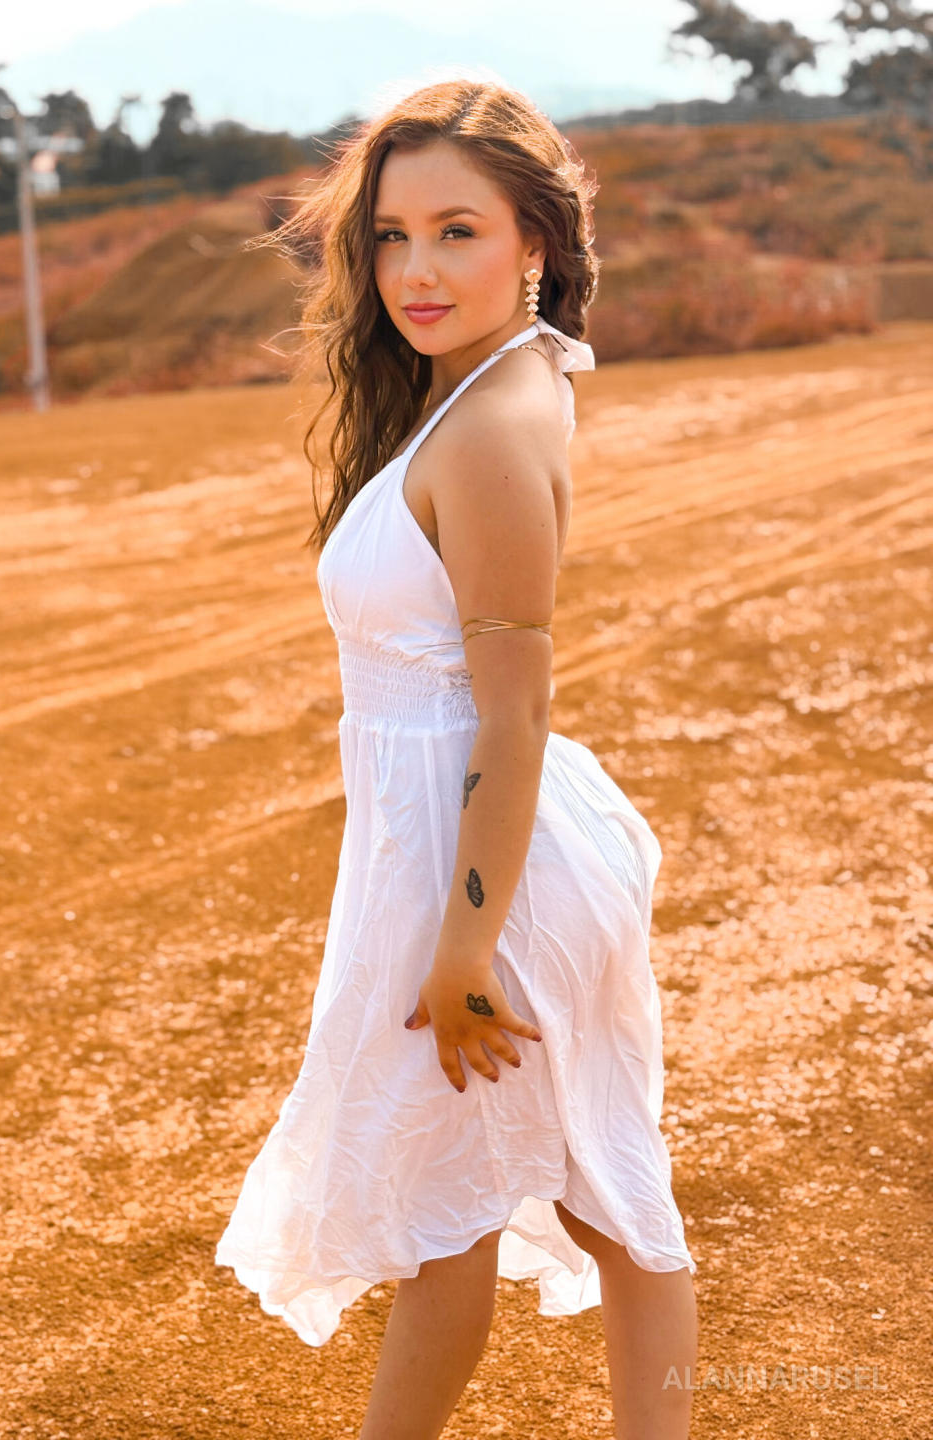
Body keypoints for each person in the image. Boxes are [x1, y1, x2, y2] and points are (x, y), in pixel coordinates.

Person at [215, 74, 698, 1440]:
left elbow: (513, 712)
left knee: (585, 1205)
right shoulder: (485, 384)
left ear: (533, 239)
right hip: (453, 857)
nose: (415, 271)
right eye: (390, 235)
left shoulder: (489, 424)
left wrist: (465, 943)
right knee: (496, 1211)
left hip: (493, 878)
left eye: (457, 232)